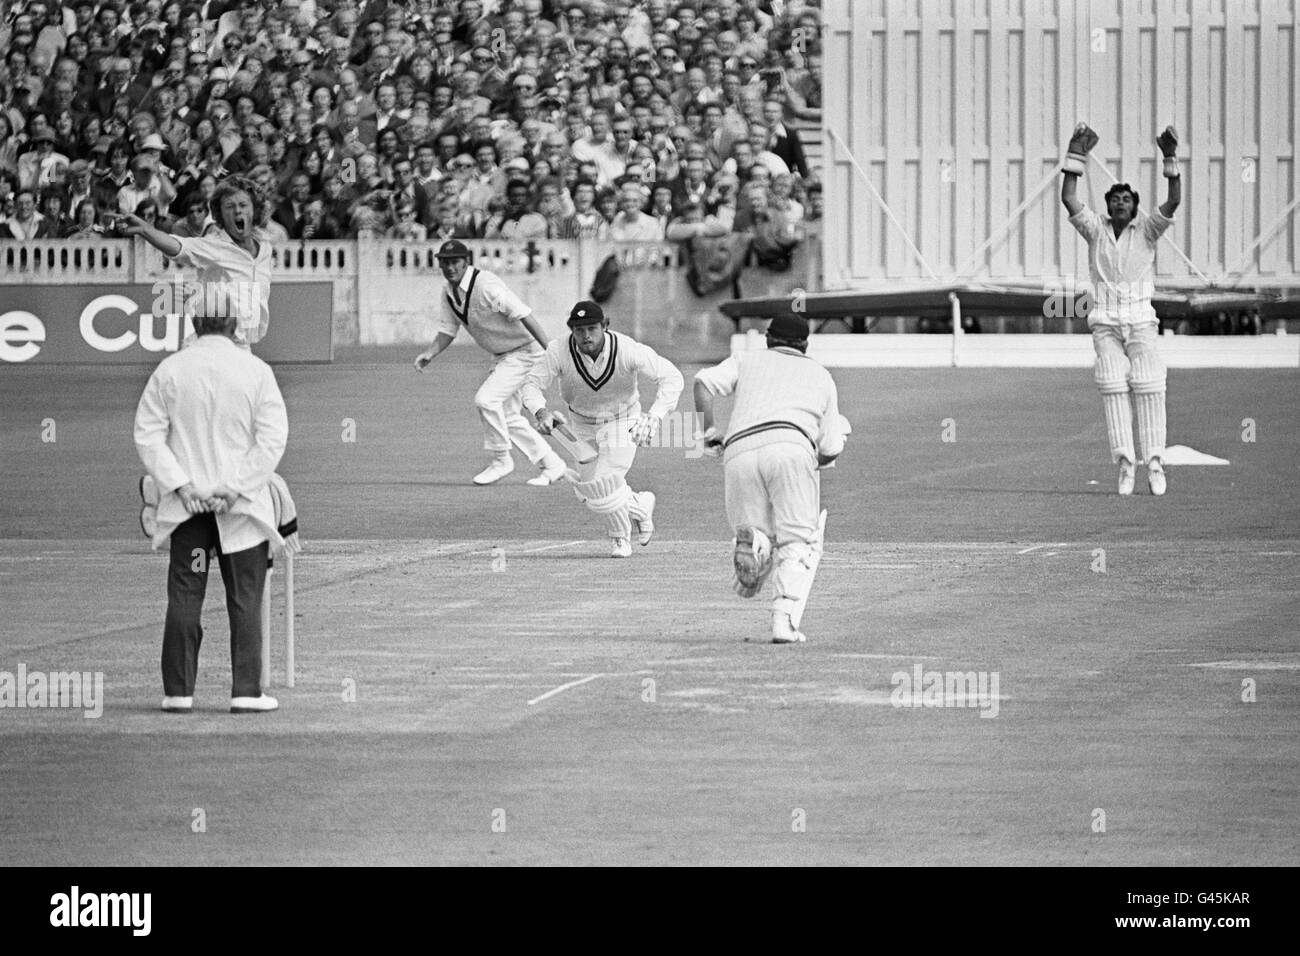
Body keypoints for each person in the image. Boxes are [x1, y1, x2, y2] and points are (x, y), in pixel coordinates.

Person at [132, 312, 288, 714]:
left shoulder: (170, 369)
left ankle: (178, 692)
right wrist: (235, 487)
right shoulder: (255, 370)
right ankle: (246, 692)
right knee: (245, 597)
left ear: (196, 326)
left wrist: (182, 485)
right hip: (239, 509)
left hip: (190, 510)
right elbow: (272, 439)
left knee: (186, 593)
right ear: (234, 327)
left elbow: (147, 436)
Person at [693, 314, 850, 644]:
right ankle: (783, 621)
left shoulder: (747, 359)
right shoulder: (821, 375)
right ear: (805, 345)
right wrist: (812, 462)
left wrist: (708, 432)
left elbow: (703, 383)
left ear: (768, 339)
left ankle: (759, 543)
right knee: (798, 542)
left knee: (759, 528)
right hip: (792, 446)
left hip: (738, 450)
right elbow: (832, 448)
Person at [1061, 122, 1181, 496]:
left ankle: (1155, 462)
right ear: (1108, 205)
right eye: (1115, 199)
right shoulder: (1096, 228)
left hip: (1141, 320)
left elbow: (1174, 201)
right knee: (1112, 383)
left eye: (1127, 199)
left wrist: (1170, 158)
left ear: (1135, 206)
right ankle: (1126, 463)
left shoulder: (1147, 230)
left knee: (1149, 384)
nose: (1120, 203)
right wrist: (1075, 154)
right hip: (1106, 323)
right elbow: (1069, 198)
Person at [520, 300, 684, 558]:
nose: (586, 336)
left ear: (605, 326)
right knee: (589, 493)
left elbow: (672, 376)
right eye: (579, 330)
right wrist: (541, 412)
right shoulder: (558, 351)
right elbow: (530, 384)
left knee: (604, 484)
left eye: (592, 329)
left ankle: (620, 539)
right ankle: (641, 506)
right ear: (571, 330)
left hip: (623, 420)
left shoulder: (627, 349)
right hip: (581, 424)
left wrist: (654, 416)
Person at [414, 239, 567, 486]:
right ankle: (553, 465)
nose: (450, 268)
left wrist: (548, 350)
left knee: (486, 400)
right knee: (508, 416)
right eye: (445, 263)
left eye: (455, 262)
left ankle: (501, 460)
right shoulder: (448, 292)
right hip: (502, 356)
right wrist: (430, 353)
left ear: (466, 262)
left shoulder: (486, 286)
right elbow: (448, 327)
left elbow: (524, 314)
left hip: (525, 352)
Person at [114, 176, 272, 348]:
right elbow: (178, 246)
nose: (237, 211)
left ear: (255, 210)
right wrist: (146, 229)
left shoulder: (265, 249)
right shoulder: (214, 245)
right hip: (212, 342)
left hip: (243, 345)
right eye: (229, 206)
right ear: (219, 214)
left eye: (243, 205)